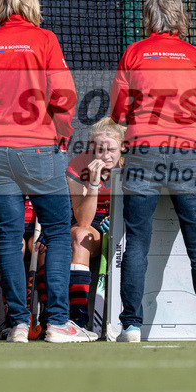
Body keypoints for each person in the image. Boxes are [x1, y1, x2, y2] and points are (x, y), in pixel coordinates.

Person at [0, 0, 94, 343]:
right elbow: (65, 95)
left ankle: (18, 323)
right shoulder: (44, 40)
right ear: (31, 3)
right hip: (38, 148)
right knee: (56, 233)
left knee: (8, 237)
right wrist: (61, 132)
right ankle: (56, 322)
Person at [109, 0, 196, 343]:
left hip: (143, 153)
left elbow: (117, 111)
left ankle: (130, 325)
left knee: (137, 244)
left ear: (148, 18)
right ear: (179, 19)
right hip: (186, 154)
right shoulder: (194, 56)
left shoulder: (134, 52)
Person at [64, 117, 125, 328]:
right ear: (92, 147)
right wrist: (93, 183)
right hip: (91, 225)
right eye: (100, 150)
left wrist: (119, 219)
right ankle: (78, 317)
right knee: (81, 236)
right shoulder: (78, 165)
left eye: (112, 150)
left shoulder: (133, 165)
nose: (106, 156)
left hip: (123, 224)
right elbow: (83, 219)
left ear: (122, 148)